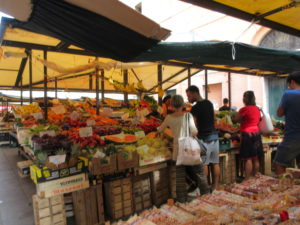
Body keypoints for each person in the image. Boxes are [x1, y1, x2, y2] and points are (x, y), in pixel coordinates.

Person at [157, 95, 209, 202]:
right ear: (182, 104)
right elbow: (194, 132)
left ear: (171, 105)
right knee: (200, 174)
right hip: (190, 150)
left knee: (180, 178)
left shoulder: (168, 117)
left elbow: (160, 130)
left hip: (177, 151)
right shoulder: (188, 116)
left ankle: (181, 200)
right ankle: (206, 195)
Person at [186, 86, 220, 190]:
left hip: (204, 137)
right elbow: (214, 118)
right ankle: (215, 187)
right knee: (215, 162)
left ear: (194, 93)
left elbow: (194, 125)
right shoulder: (209, 103)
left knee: (204, 164)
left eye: (189, 95)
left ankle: (204, 188)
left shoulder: (195, 108)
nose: (188, 98)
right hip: (214, 136)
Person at [274, 71, 300, 175]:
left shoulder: (288, 94)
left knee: (279, 163)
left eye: (289, 84)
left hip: (293, 136)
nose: (289, 87)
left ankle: (282, 189)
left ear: (292, 82)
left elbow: (279, 113)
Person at [233, 91, 263, 180]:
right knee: (256, 157)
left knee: (248, 158)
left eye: (243, 97)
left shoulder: (244, 109)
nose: (243, 98)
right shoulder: (257, 109)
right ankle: (255, 178)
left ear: (245, 98)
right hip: (256, 134)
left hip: (247, 135)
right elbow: (258, 121)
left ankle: (247, 179)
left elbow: (235, 120)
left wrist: (237, 120)